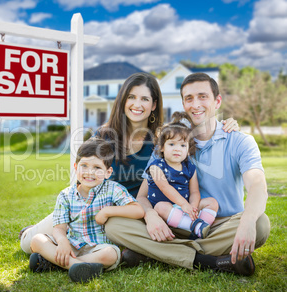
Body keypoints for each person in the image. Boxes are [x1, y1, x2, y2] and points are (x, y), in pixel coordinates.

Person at [19, 72, 238, 254]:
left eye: (144, 99)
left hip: (132, 214)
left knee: (109, 244)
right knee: (28, 244)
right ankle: (33, 233)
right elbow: (81, 182)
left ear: (153, 105)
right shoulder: (103, 137)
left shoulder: (161, 141)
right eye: (131, 97)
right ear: (123, 100)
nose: (137, 104)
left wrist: (228, 123)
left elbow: (192, 135)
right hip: (93, 207)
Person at [105, 73, 270, 276]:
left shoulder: (240, 141)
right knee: (113, 225)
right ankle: (209, 261)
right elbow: (142, 195)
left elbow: (257, 186)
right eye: (189, 98)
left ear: (217, 101)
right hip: (173, 223)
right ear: (183, 103)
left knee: (260, 223)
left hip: (218, 227)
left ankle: (154, 252)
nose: (196, 104)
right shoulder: (171, 142)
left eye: (203, 96)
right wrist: (151, 216)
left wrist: (246, 221)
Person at [29, 138, 145, 283]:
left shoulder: (113, 189)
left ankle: (55, 264)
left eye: (97, 168)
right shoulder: (66, 195)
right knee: (37, 240)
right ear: (76, 167)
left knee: (111, 254)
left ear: (108, 172)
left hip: (98, 248)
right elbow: (59, 228)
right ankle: (78, 266)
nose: (90, 172)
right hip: (72, 244)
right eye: (84, 165)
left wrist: (107, 211)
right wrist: (63, 241)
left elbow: (138, 210)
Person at [146, 111, 218, 239]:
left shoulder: (189, 168)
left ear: (188, 149)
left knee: (211, 202)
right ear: (162, 147)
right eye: (172, 144)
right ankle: (194, 227)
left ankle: (200, 227)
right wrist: (184, 204)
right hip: (165, 212)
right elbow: (165, 188)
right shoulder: (156, 166)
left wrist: (193, 208)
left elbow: (195, 191)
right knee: (160, 207)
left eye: (182, 145)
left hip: (184, 210)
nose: (177, 148)